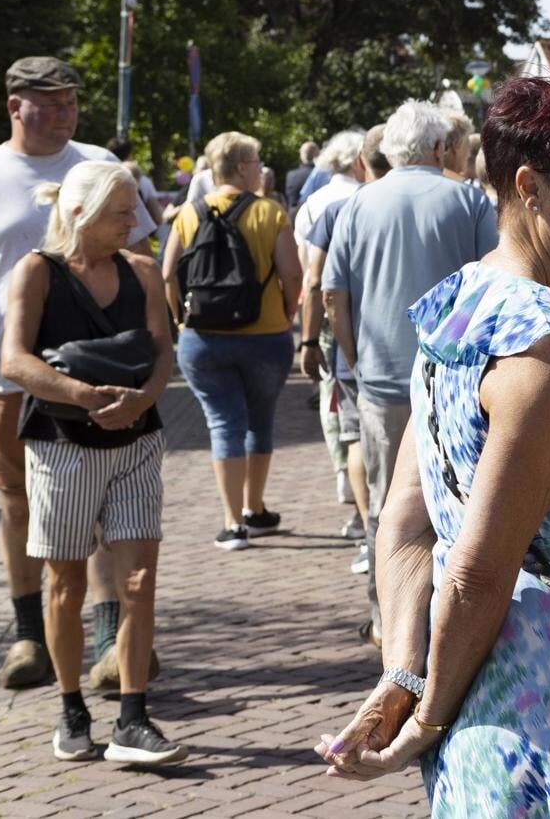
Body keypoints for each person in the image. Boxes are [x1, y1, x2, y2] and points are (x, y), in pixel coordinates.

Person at [314, 75, 550, 816]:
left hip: (478, 690)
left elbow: (406, 522)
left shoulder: (462, 301)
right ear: (530, 187)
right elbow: (479, 569)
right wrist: (422, 714)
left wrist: (409, 675)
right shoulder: (546, 343)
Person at [2, 161, 183, 764]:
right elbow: (14, 361)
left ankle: (134, 718)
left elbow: (163, 352)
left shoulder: (143, 271)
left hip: (137, 443)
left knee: (139, 581)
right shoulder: (38, 272)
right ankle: (72, 707)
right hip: (61, 446)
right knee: (67, 583)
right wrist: (82, 395)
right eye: (122, 213)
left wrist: (143, 397)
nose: (136, 222)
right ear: (79, 213)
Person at [0, 58, 156, 692]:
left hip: (107, 368)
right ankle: (31, 637)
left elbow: (140, 253)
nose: (65, 114)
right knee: (21, 503)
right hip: (12, 374)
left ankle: (112, 641)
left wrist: (146, 352)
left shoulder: (96, 165)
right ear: (14, 106)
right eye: (50, 103)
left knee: (110, 509)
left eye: (71, 103)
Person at [322, 100, 497, 645]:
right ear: (441, 147)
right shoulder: (466, 200)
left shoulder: (356, 204)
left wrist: (354, 359)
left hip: (380, 376)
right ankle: (454, 620)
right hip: (455, 376)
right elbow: (497, 283)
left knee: (386, 506)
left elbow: (333, 295)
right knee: (462, 500)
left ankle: (387, 621)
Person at [164, 131, 303, 552]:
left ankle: (231, 523)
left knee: (223, 424)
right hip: (264, 335)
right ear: (242, 167)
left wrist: (179, 318)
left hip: (202, 338)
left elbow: (167, 272)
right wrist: (286, 311)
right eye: (256, 162)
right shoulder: (269, 212)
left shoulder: (188, 213)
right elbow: (292, 274)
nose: (260, 169)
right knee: (259, 422)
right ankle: (255, 509)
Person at [294, 129, 370, 550]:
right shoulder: (366, 200)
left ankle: (347, 481)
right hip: (365, 315)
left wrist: (306, 338)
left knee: (336, 402)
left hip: (328, 315)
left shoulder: (314, 205)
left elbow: (312, 273)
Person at [285, 140, 318, 209]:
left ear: (301, 155)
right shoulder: (320, 175)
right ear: (317, 154)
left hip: (293, 216)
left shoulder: (291, 175)